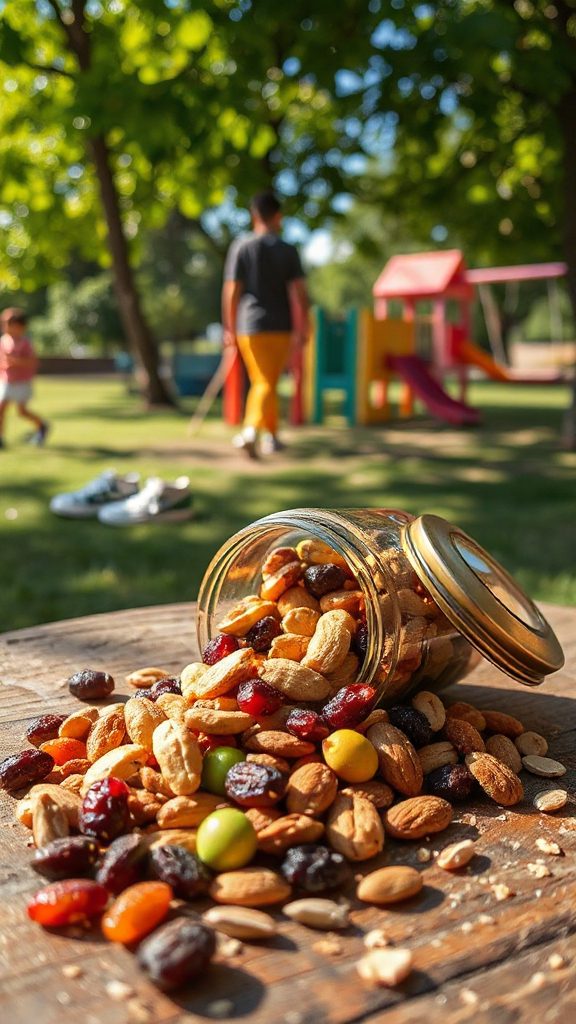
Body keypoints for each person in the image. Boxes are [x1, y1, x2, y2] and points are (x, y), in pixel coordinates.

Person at [222, 191, 310, 458]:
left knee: (265, 381)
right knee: (266, 382)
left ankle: (268, 435)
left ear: (254, 215)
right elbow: (300, 292)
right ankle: (253, 432)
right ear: (278, 216)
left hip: (249, 327)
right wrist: (304, 325)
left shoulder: (241, 246)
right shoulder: (287, 250)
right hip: (281, 327)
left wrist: (228, 327)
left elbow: (231, 291)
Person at [0, 307, 49, 448]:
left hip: (21, 381)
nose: (5, 327)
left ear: (20, 327)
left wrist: (15, 361)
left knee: (22, 411)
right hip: (6, 380)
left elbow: (33, 362)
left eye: (9, 324)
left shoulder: (25, 343)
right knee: (1, 409)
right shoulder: (3, 341)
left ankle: (42, 425)